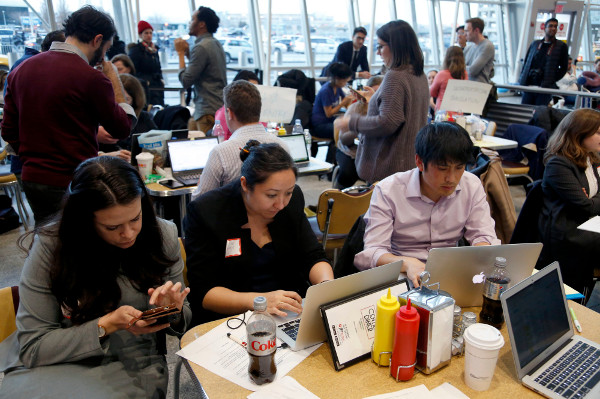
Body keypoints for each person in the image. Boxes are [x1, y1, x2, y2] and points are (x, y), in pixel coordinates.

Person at [0, 156, 191, 397]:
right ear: (84, 222)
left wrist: (172, 310)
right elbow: (33, 346)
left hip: (132, 358)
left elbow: (183, 318)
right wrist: (105, 325)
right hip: (58, 360)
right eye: (112, 227)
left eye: (135, 218)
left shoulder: (161, 234)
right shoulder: (52, 245)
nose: (128, 234)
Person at [1, 5, 135, 225]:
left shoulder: (20, 71)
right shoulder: (91, 78)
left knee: (46, 242)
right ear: (97, 39)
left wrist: (34, 154)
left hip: (32, 177)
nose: (104, 57)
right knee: (77, 247)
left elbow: (8, 130)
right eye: (106, 49)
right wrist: (113, 79)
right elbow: (122, 128)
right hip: (74, 179)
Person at [184, 141, 334, 325]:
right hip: (230, 319)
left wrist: (326, 287)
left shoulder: (292, 202)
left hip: (288, 314)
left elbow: (312, 255)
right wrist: (261, 301)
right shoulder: (207, 212)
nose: (280, 204)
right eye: (271, 195)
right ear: (245, 185)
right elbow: (204, 292)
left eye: (288, 192)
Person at [354, 122, 500, 286]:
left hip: (450, 273)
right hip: (402, 274)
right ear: (419, 162)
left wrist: (480, 252)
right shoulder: (389, 191)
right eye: (442, 168)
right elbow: (373, 251)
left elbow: (483, 235)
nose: (451, 179)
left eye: (459, 167)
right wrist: (406, 263)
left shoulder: (471, 185)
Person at [334, 20, 429, 184]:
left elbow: (387, 122)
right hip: (407, 162)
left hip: (388, 166)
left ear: (395, 46)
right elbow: (402, 112)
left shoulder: (395, 76)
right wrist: (375, 100)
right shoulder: (419, 75)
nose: (378, 53)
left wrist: (351, 122)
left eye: (381, 46)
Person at [539, 108, 600, 302]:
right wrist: (591, 202)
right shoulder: (559, 164)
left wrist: (591, 201)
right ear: (579, 133)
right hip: (567, 234)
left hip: (586, 226)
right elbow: (586, 206)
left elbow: (590, 203)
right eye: (598, 132)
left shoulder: (590, 157)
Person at [192, 80, 288, 199]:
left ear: (230, 113)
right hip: (275, 216)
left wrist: (200, 187)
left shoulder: (221, 153)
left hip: (231, 217)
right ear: (259, 110)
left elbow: (200, 202)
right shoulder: (282, 146)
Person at [174, 6, 227, 133]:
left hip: (207, 111)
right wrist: (188, 54)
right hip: (216, 106)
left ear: (202, 24)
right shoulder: (215, 43)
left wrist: (181, 53)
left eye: (192, 20)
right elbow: (204, 70)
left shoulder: (201, 47)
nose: (190, 23)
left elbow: (186, 80)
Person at [335, 75, 383, 189]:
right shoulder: (355, 108)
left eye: (380, 92)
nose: (377, 96)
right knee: (349, 171)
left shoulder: (385, 111)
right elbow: (344, 139)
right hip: (351, 152)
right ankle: (335, 199)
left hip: (375, 154)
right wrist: (362, 127)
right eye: (374, 92)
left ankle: (369, 199)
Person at [98, 73, 158, 157]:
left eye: (126, 99)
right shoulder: (100, 118)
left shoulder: (143, 117)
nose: (120, 104)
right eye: (114, 98)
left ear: (135, 100)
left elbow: (158, 143)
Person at [519, 18, 569, 106]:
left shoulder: (561, 46)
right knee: (525, 110)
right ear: (544, 28)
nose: (553, 28)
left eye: (555, 26)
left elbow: (564, 68)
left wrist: (552, 78)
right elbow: (527, 62)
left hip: (545, 87)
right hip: (529, 85)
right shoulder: (535, 44)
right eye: (550, 26)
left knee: (540, 113)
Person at [311, 62, 353, 164]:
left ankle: (337, 161)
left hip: (329, 122)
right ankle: (331, 163)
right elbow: (329, 113)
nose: (345, 82)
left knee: (347, 128)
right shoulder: (326, 90)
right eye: (344, 80)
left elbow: (346, 103)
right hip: (319, 125)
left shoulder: (337, 88)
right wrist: (343, 103)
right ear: (336, 78)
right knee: (340, 131)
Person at [213, 69, 262, 141]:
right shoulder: (224, 113)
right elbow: (221, 141)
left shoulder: (256, 109)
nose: (253, 92)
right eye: (249, 88)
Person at [128, 20, 165, 106]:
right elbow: (133, 69)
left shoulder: (154, 49)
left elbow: (158, 67)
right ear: (140, 35)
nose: (149, 35)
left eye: (151, 33)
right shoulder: (136, 50)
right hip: (145, 86)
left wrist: (161, 79)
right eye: (146, 33)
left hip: (157, 85)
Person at [430, 46, 468, 112]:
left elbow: (432, 92)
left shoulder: (442, 74)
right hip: (458, 110)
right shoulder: (464, 74)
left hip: (442, 111)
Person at [463, 17, 495, 84]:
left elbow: (473, 71)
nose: (465, 34)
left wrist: (460, 69)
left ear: (476, 30)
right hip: (467, 87)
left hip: (479, 89)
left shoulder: (487, 46)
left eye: (467, 31)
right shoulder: (468, 48)